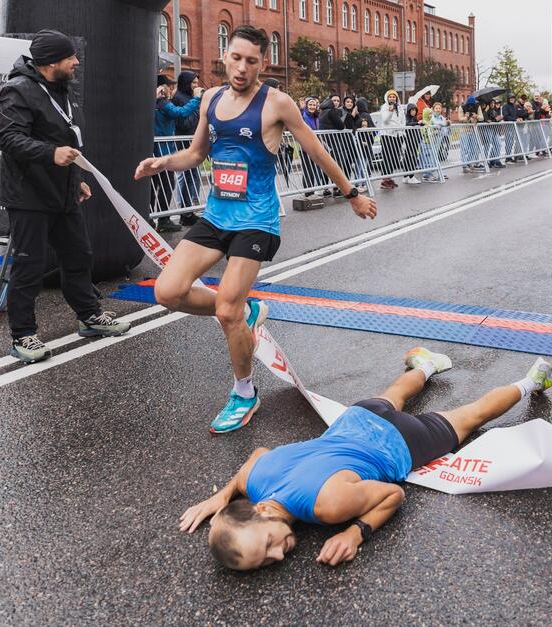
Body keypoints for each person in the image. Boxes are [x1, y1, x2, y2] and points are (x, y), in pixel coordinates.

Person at [133, 26, 377, 433]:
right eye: (236, 58)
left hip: (257, 220)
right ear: (225, 58)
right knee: (167, 292)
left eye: (252, 61)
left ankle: (244, 392)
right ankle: (247, 313)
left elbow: (316, 150)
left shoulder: (276, 103)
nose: (242, 68)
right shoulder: (209, 98)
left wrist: (352, 193)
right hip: (216, 216)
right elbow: (196, 153)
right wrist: (161, 163)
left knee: (227, 309)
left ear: (263, 63)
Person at [178, 347, 552, 570]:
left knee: (472, 416)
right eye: (264, 561)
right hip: (357, 418)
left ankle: (532, 381)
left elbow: (394, 495)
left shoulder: (328, 507)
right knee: (394, 393)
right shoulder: (255, 479)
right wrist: (222, 496)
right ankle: (425, 365)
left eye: (267, 545)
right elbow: (254, 458)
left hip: (403, 442)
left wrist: (355, 532)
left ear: (260, 511)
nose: (277, 555)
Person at [0, 29, 132, 364]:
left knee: (78, 256)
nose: (76, 62)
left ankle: (89, 316)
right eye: (71, 57)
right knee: (29, 266)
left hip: (62, 192)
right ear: (51, 61)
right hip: (29, 196)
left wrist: (76, 179)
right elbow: (7, 138)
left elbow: (67, 137)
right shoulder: (17, 90)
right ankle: (23, 335)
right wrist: (50, 154)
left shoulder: (61, 90)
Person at [152, 74, 203, 233]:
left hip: (160, 148)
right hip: (162, 149)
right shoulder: (162, 103)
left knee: (156, 186)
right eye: (169, 85)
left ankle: (157, 218)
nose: (171, 89)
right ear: (161, 87)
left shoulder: (157, 102)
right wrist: (196, 99)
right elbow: (180, 113)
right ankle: (163, 219)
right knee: (165, 185)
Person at [172, 70, 203, 226]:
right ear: (186, 83)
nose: (196, 86)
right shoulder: (178, 98)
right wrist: (196, 106)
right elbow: (183, 123)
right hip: (184, 142)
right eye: (193, 83)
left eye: (197, 83)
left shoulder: (192, 98)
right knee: (186, 176)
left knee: (194, 176)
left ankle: (191, 209)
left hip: (194, 140)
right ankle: (186, 212)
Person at [376, 90, 406, 190]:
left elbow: (403, 120)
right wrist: (390, 110)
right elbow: (385, 120)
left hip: (398, 135)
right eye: (390, 97)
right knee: (387, 157)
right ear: (387, 98)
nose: (392, 98)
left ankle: (390, 177)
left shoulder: (400, 107)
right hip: (387, 135)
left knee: (394, 157)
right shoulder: (384, 107)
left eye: (394, 97)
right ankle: (385, 179)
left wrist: (401, 129)